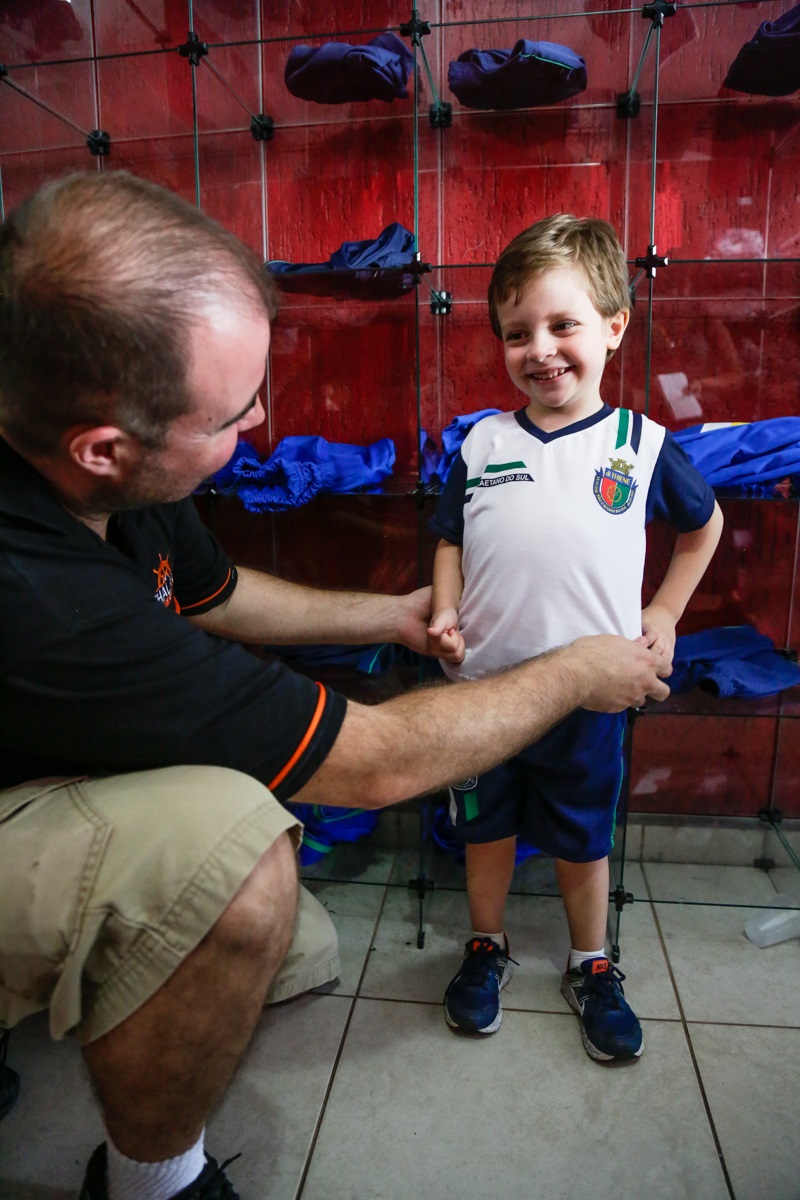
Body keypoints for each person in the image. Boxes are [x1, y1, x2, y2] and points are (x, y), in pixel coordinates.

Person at [0, 174, 672, 1200]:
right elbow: (374, 765)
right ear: (105, 449)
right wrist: (583, 665)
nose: (264, 419)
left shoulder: (112, 477)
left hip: (51, 743)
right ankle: (154, 1183)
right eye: (233, 415)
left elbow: (217, 592)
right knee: (241, 891)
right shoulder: (37, 587)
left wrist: (391, 615)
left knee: (289, 949)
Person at [427, 213, 723, 1062]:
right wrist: (444, 611)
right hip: (485, 693)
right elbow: (449, 538)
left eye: (563, 325)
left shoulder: (640, 444)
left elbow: (703, 527)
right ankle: (486, 944)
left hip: (589, 702)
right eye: (518, 332)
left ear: (614, 327)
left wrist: (663, 614)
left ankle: (591, 961)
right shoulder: (482, 442)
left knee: (582, 839)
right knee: (485, 832)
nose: (541, 349)